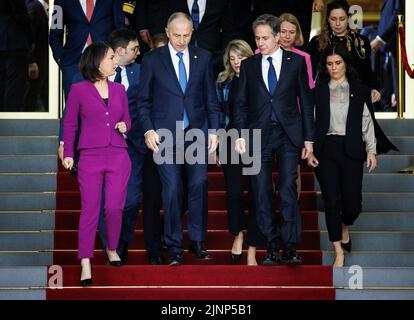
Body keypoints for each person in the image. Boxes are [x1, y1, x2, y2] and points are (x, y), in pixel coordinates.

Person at [137, 12, 221, 266]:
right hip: (163, 136)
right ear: (167, 31)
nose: (182, 40)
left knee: (199, 184)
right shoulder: (152, 59)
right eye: (176, 35)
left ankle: (197, 241)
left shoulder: (203, 57)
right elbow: (143, 101)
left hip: (196, 134)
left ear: (192, 32)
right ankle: (174, 247)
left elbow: (211, 99)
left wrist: (215, 131)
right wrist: (148, 130)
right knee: (172, 189)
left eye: (186, 35)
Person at [233, 14, 315, 266]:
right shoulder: (249, 65)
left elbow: (306, 102)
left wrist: (309, 140)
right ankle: (271, 246)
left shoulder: (296, 63)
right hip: (258, 136)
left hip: (289, 134)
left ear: (279, 36)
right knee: (261, 192)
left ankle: (290, 246)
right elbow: (240, 105)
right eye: (257, 38)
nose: (261, 42)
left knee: (288, 188)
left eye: (266, 37)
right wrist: (240, 134)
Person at [62, 42, 131, 285]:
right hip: (90, 156)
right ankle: (85, 261)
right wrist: (68, 151)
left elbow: (127, 120)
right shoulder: (78, 89)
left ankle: (112, 247)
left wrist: (125, 126)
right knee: (90, 209)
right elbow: (69, 123)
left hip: (118, 155)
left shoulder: (120, 89)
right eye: (111, 57)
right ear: (97, 61)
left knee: (114, 207)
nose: (115, 60)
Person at [307, 43, 378, 267]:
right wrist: (309, 148)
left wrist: (372, 150)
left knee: (353, 205)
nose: (334, 67)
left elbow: (366, 121)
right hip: (325, 148)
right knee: (332, 200)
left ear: (346, 64)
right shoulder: (318, 91)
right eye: (329, 64)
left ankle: (345, 225)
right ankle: (338, 249)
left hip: (352, 148)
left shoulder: (359, 89)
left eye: (338, 63)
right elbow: (310, 121)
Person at [94, 29, 143, 265]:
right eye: (134, 48)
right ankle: (110, 247)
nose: (138, 52)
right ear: (120, 51)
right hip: (101, 148)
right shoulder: (95, 74)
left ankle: (122, 240)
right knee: (105, 203)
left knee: (131, 200)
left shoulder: (140, 72)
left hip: (132, 147)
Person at [216, 39, 267, 266]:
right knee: (234, 192)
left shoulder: (260, 78)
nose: (237, 62)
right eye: (232, 58)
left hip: (256, 138)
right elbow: (218, 113)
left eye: (241, 57)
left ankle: (253, 249)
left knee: (257, 193)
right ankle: (238, 233)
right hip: (230, 138)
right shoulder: (223, 82)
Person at [306, 0, 381, 105]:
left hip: (356, 97)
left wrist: (374, 88)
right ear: (327, 19)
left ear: (349, 18)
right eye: (333, 19)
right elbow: (309, 74)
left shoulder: (362, 41)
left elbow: (367, 70)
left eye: (342, 19)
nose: (337, 23)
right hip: (326, 98)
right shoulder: (316, 42)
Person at [49, 0, 125, 98]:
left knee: (106, 105)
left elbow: (120, 28)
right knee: (74, 105)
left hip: (105, 60)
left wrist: (117, 56)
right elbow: (55, 31)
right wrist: (60, 58)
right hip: (73, 62)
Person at [0, 0, 32, 112]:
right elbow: (21, 15)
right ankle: (11, 119)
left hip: (6, 41)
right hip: (14, 43)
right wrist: (30, 38)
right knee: (14, 87)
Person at [25, 0, 49, 112]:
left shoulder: (51, 8)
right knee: (32, 99)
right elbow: (27, 37)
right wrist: (31, 61)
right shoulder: (35, 7)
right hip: (37, 65)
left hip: (45, 65)